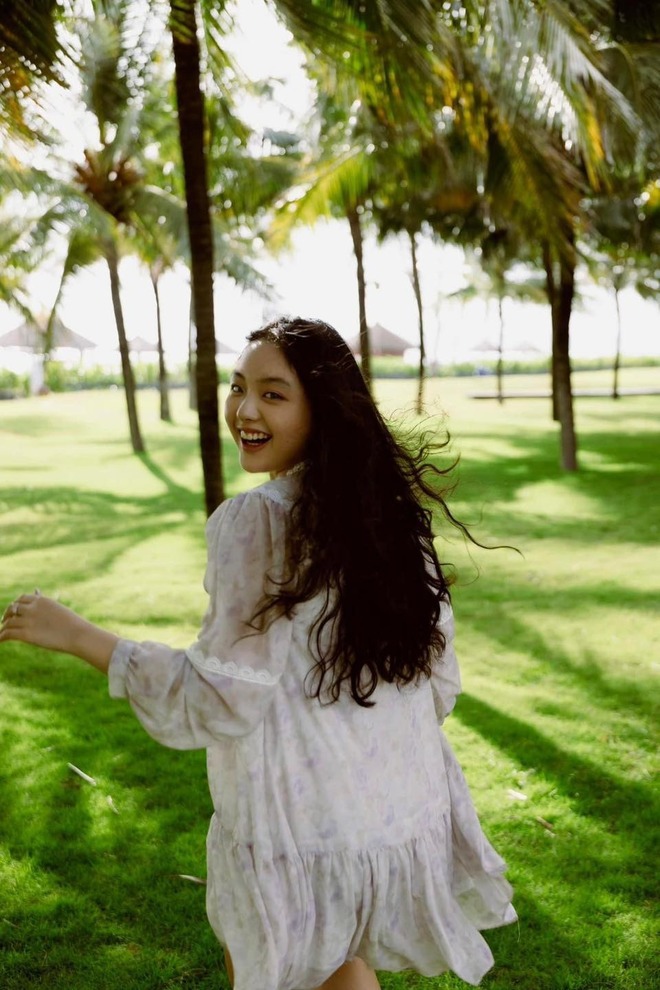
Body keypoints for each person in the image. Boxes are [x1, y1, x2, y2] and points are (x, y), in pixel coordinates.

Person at [0, 316, 516, 990]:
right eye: (239, 386)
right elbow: (436, 681)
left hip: (295, 826)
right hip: (392, 806)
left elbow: (219, 697)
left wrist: (78, 635)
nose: (245, 409)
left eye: (274, 394)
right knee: (343, 965)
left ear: (322, 410)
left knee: (280, 965)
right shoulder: (389, 517)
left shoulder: (257, 520)